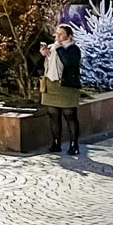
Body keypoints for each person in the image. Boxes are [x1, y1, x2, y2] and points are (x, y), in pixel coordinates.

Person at [40, 24, 82, 155]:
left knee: (70, 115)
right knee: (53, 115)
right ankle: (56, 143)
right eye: (56, 34)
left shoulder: (73, 48)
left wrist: (59, 48)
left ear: (69, 36)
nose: (57, 37)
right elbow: (41, 67)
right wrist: (44, 54)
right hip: (51, 84)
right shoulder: (52, 48)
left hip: (66, 86)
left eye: (61, 34)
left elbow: (69, 62)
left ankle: (74, 144)